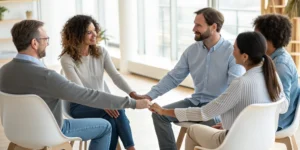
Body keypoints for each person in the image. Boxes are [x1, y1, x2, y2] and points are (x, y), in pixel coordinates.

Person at [0, 20, 150, 150]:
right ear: (34, 43)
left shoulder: (3, 72)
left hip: (15, 132)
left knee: (112, 117)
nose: (47, 43)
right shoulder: (48, 77)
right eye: (46, 39)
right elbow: (87, 95)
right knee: (106, 126)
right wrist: (133, 103)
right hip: (49, 131)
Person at [150, 31, 288, 150]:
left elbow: (203, 113)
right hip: (262, 142)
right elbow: (282, 107)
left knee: (192, 130)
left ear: (245, 56)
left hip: (234, 143)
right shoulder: (271, 75)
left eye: (234, 48)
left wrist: (164, 111)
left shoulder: (241, 83)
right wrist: (236, 122)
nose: (232, 52)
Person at [131, 7, 245, 150]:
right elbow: (173, 78)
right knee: (159, 115)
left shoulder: (232, 52)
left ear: (214, 27)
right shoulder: (192, 51)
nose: (193, 29)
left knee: (211, 126)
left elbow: (233, 89)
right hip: (194, 102)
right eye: (194, 24)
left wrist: (227, 118)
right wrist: (149, 96)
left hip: (215, 109)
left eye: (198, 25)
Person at [59, 15, 137, 150]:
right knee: (117, 109)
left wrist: (132, 93)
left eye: (95, 30)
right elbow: (80, 92)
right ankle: (132, 148)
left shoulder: (101, 52)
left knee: (111, 121)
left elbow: (116, 76)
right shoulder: (67, 59)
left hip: (101, 102)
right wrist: (103, 104)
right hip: (80, 105)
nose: (94, 34)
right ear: (77, 35)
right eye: (89, 32)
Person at [253, 14, 299, 131]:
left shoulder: (280, 65)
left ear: (270, 39)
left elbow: (282, 105)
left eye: (257, 36)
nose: (254, 40)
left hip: (276, 123)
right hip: (269, 117)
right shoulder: (270, 58)